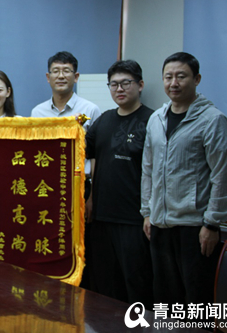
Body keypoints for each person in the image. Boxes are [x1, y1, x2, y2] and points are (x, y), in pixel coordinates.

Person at [141, 52, 227, 310]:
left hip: (196, 228)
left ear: (197, 79)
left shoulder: (212, 119)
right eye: (168, 77)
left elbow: (222, 176)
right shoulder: (156, 119)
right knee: (165, 300)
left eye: (181, 76)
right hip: (159, 225)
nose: (174, 83)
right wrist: (147, 212)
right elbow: (148, 169)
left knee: (197, 300)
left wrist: (212, 223)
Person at [85, 60, 154, 308]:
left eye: (126, 83)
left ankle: (139, 325)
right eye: (113, 84)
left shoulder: (153, 120)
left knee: (136, 283)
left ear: (140, 85)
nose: (119, 89)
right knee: (104, 284)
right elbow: (83, 152)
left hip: (134, 219)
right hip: (101, 217)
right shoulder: (104, 120)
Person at [30, 50, 101, 290]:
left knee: (81, 250)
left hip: (81, 188)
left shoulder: (91, 110)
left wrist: (92, 197)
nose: (61, 76)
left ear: (76, 76)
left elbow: (97, 157)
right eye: (56, 71)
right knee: (53, 246)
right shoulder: (37, 113)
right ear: (48, 77)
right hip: (48, 190)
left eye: (67, 71)